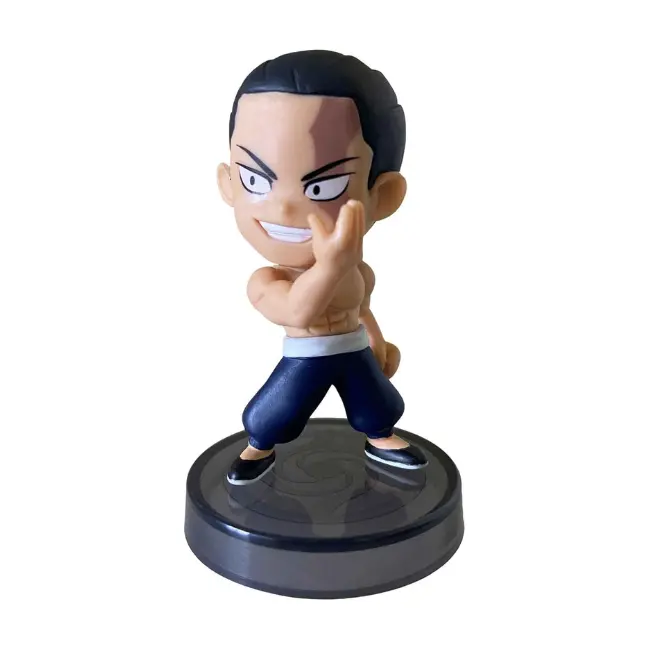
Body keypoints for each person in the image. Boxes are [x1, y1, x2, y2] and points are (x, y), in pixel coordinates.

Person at [217, 50, 427, 485]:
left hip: (353, 349)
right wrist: (331, 265)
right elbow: (298, 310)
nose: (284, 207)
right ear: (228, 184)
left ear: (382, 196)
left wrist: (377, 343)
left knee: (377, 403)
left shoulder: (356, 271)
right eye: (255, 180)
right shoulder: (267, 280)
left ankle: (380, 436)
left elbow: (362, 307)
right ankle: (259, 446)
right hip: (305, 357)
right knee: (275, 412)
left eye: (323, 187)